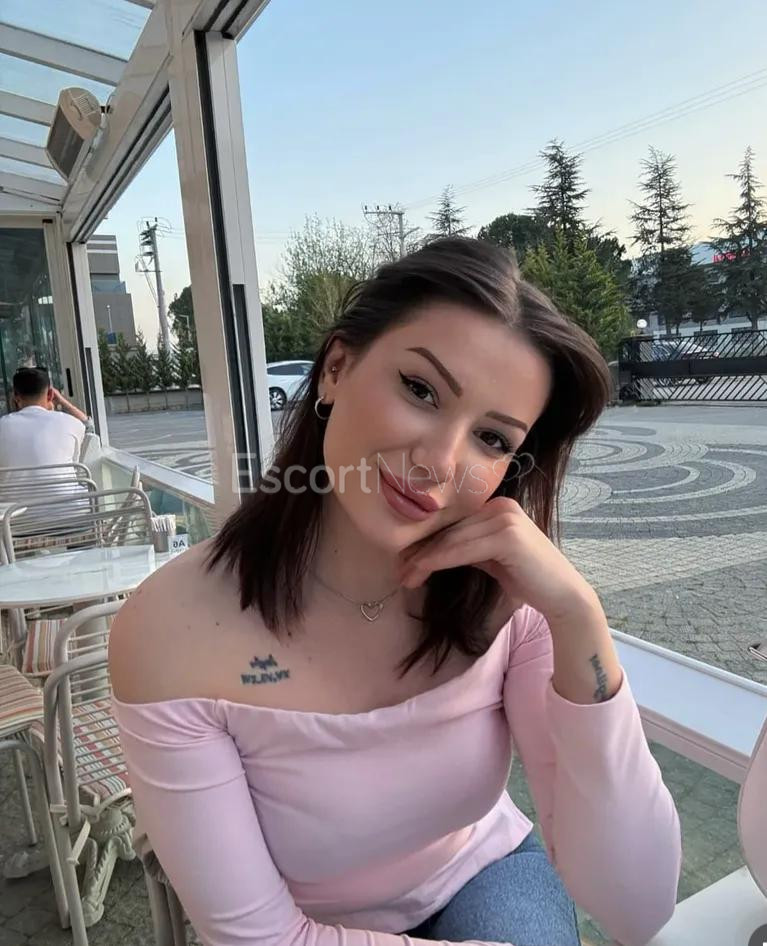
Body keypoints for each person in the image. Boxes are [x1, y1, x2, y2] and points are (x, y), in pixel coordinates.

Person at [110, 238, 682, 946]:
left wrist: (576, 613)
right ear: (336, 369)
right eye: (420, 390)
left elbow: (637, 907)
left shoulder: (505, 600)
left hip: (484, 871)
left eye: (492, 440)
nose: (438, 462)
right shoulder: (172, 628)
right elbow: (258, 938)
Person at [0, 366, 90, 477]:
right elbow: (88, 427)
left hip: (14, 489)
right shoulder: (71, 422)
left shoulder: (2, 425)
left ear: (15, 397)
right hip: (66, 489)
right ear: (51, 394)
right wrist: (63, 401)